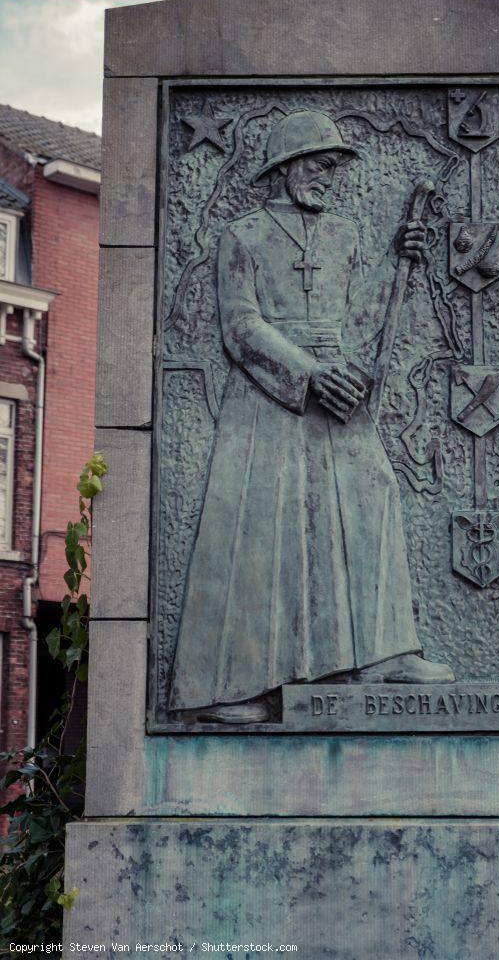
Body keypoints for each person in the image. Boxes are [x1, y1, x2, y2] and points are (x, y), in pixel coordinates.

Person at [169, 109, 455, 724]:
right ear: (290, 165)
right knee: (267, 529)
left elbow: (355, 317)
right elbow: (241, 327)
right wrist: (306, 373)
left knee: (373, 494)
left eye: (334, 168)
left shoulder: (346, 236)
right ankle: (242, 685)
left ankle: (384, 653)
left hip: (336, 389)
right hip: (271, 397)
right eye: (321, 165)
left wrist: (397, 263)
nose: (330, 178)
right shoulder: (242, 237)